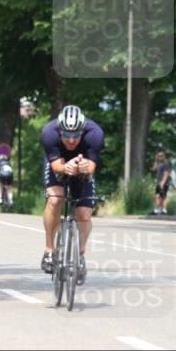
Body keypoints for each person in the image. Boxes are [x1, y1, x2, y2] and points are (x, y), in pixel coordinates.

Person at [39, 105, 104, 284]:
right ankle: (49, 250)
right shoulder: (49, 133)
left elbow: (91, 169)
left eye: (76, 135)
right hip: (59, 164)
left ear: (83, 131)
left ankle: (80, 255)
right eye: (67, 135)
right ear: (60, 131)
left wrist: (83, 168)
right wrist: (65, 167)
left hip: (83, 167)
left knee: (84, 213)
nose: (71, 140)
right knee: (55, 199)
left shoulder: (95, 134)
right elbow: (56, 167)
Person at [151, 150, 171, 215]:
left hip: (163, 183)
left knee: (163, 196)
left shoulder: (165, 163)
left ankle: (164, 210)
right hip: (159, 182)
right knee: (158, 196)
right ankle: (159, 209)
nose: (160, 157)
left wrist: (163, 183)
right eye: (159, 156)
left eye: (161, 156)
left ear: (164, 156)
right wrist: (156, 161)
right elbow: (154, 169)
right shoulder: (159, 163)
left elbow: (166, 173)